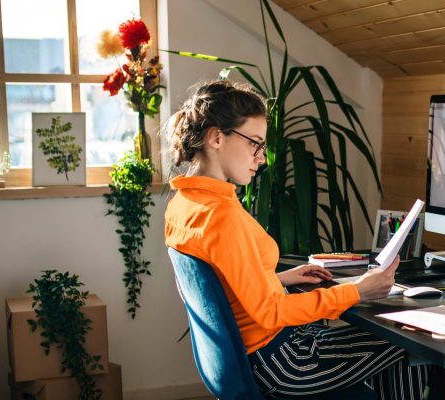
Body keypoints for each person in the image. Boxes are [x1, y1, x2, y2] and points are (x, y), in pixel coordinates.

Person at [164, 80, 430, 400]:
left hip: (259, 358)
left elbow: (221, 288)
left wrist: (277, 278)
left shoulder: (185, 204)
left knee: (386, 344)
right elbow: (270, 313)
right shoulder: (221, 215)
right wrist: (358, 291)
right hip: (284, 363)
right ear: (216, 137)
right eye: (254, 143)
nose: (262, 157)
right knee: (408, 346)